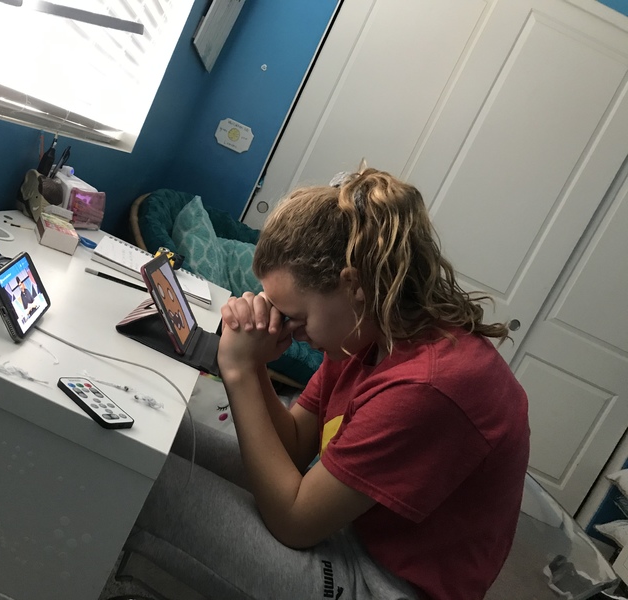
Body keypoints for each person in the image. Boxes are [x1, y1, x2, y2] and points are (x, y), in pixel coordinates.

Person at [121, 165, 530, 600]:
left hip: (384, 582)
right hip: (350, 524)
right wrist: (256, 361)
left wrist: (238, 371)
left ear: (352, 285)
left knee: (142, 480)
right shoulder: (367, 330)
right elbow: (296, 445)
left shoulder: (430, 386)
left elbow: (294, 521)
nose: (290, 329)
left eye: (295, 316)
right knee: (154, 436)